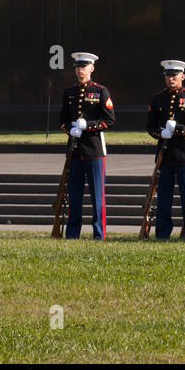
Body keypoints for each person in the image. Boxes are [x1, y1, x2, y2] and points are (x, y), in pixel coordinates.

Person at [57, 52, 115, 239]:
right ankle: (72, 233)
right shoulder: (69, 92)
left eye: (84, 66)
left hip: (94, 150)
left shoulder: (100, 91)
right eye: (77, 67)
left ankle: (99, 234)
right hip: (74, 150)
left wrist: (88, 126)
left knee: (97, 196)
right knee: (74, 194)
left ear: (92, 68)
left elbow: (109, 120)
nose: (80, 70)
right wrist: (70, 130)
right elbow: (63, 120)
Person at [147, 59, 185, 240]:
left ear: (182, 76)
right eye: (168, 76)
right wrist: (161, 133)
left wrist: (179, 129)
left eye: (174, 76)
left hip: (184, 154)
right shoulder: (157, 98)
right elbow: (150, 127)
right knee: (164, 197)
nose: (171, 79)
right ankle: (163, 233)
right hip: (165, 154)